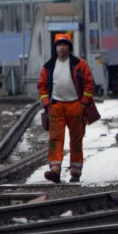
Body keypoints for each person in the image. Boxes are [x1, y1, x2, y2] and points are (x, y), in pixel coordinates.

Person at [37, 33, 95, 183]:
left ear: (69, 47)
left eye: (64, 45)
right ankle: (55, 170)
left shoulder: (79, 64)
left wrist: (83, 103)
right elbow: (42, 86)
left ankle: (75, 172)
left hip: (76, 105)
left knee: (76, 140)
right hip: (56, 106)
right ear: (55, 47)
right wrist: (46, 104)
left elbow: (89, 84)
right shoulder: (48, 66)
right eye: (59, 45)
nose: (61, 47)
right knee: (55, 139)